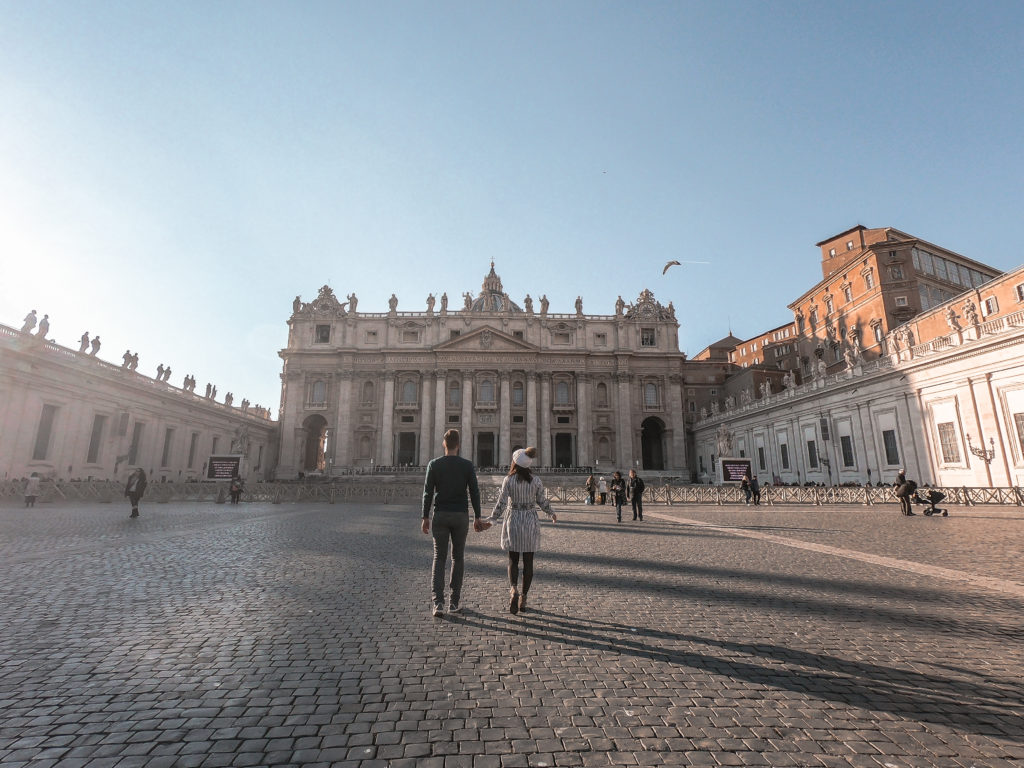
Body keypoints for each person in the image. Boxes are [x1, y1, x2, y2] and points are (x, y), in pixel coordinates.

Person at [485, 447, 556, 614]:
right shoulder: (536, 481)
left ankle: (513, 589)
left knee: (513, 560)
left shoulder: (508, 480)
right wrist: (551, 512)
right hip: (530, 520)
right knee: (529, 562)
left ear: (515, 463)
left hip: (513, 520)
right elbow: (542, 501)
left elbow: (501, 503)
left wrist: (493, 519)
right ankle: (523, 598)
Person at [421, 429, 483, 617]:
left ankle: (438, 603)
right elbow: (474, 492)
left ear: (443, 444)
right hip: (460, 516)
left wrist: (425, 516)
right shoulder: (467, 466)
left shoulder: (434, 465)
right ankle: (454, 602)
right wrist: (477, 516)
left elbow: (427, 492)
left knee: (439, 558)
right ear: (459, 445)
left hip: (440, 515)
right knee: (457, 558)